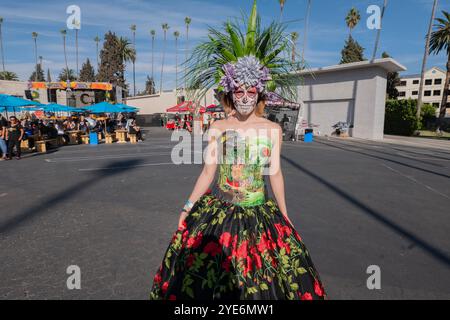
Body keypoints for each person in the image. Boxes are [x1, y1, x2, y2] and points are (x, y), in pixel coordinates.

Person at [149, 1, 326, 301]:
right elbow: (208, 171)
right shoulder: (217, 127)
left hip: (261, 214)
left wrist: (285, 215)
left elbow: (276, 174)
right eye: (239, 90)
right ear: (230, 91)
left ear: (260, 92)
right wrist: (187, 205)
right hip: (219, 213)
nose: (244, 97)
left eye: (251, 90)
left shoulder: (273, 130)